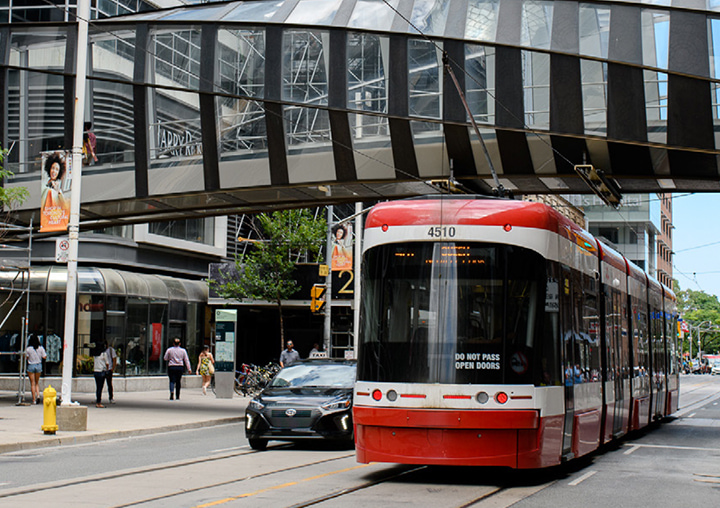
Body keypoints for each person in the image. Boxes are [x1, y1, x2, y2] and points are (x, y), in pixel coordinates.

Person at [40, 152, 69, 231]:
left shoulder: (59, 188)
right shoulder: (44, 184)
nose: (54, 171)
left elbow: (64, 206)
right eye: (53, 168)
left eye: (57, 170)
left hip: (54, 219)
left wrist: (57, 191)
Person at [26, 334, 47, 404]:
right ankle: (38, 395)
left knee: (32, 383)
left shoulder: (28, 349)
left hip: (31, 365)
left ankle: (33, 399)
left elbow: (26, 357)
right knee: (37, 382)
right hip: (38, 365)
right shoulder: (41, 348)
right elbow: (44, 357)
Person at [93, 341, 109, 408]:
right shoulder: (104, 354)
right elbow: (107, 363)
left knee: (97, 387)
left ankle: (98, 400)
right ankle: (98, 402)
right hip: (101, 371)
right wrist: (107, 369)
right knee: (100, 387)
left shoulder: (95, 354)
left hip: (96, 371)